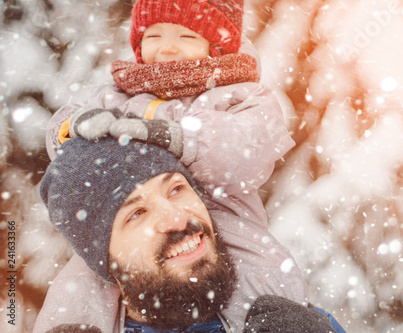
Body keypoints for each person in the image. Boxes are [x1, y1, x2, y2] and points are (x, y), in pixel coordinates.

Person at [39, 0, 311, 332]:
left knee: (255, 273)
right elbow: (63, 143)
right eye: (153, 36)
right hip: (129, 236)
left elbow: (246, 148)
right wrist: (75, 127)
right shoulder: (120, 93)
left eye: (184, 36)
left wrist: (180, 138)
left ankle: (276, 322)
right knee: (84, 279)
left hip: (222, 218)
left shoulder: (237, 93)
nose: (167, 49)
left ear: (215, 46)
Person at [37, 137, 344, 333]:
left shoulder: (296, 325)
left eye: (176, 189)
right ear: (104, 260)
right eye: (136, 213)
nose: (176, 217)